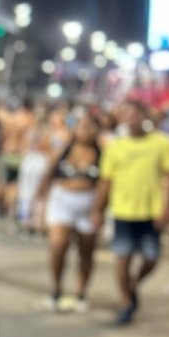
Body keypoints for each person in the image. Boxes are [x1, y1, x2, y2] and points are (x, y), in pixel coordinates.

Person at [92, 100, 169, 326]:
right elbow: (105, 181)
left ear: (144, 115)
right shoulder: (114, 147)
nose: (131, 117)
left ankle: (131, 285)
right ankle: (126, 302)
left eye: (135, 112)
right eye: (125, 113)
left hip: (151, 211)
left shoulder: (162, 143)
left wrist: (168, 208)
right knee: (123, 257)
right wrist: (97, 210)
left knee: (151, 258)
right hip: (123, 210)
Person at [37, 113, 103, 312]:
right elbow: (47, 175)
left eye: (90, 127)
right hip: (62, 200)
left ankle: (82, 292)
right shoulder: (64, 150)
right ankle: (56, 288)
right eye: (82, 126)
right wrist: (39, 207)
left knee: (86, 251)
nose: (85, 131)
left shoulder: (102, 154)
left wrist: (99, 210)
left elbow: (106, 183)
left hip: (88, 203)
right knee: (58, 246)